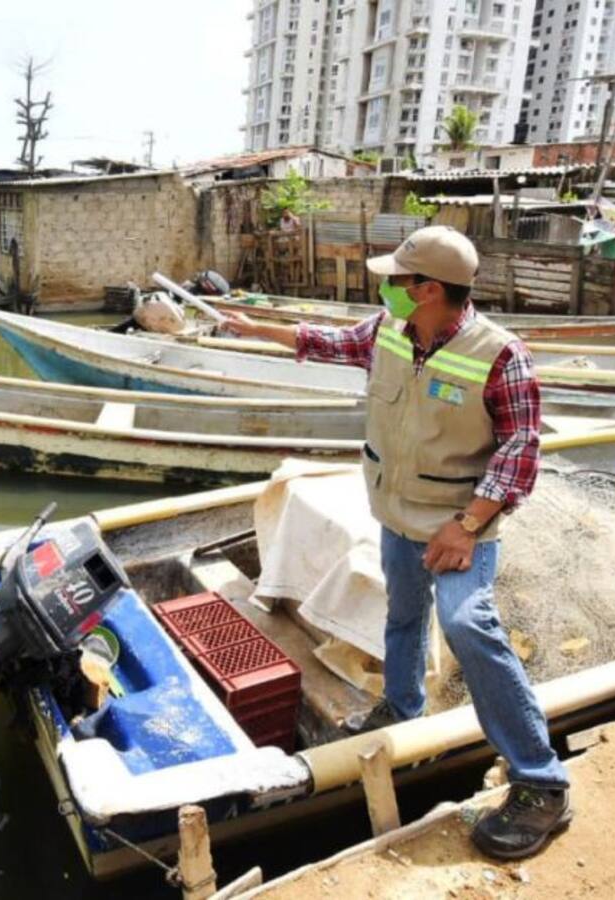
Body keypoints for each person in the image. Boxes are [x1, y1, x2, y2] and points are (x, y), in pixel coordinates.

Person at [222, 225, 571, 860]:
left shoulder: (500, 354)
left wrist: (465, 527)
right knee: (404, 614)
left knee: (468, 624)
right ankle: (401, 708)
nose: (387, 288)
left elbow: (521, 450)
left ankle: (542, 782)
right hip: (396, 512)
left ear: (430, 289)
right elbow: (328, 341)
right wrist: (255, 328)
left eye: (398, 281)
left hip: (460, 523)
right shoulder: (390, 328)